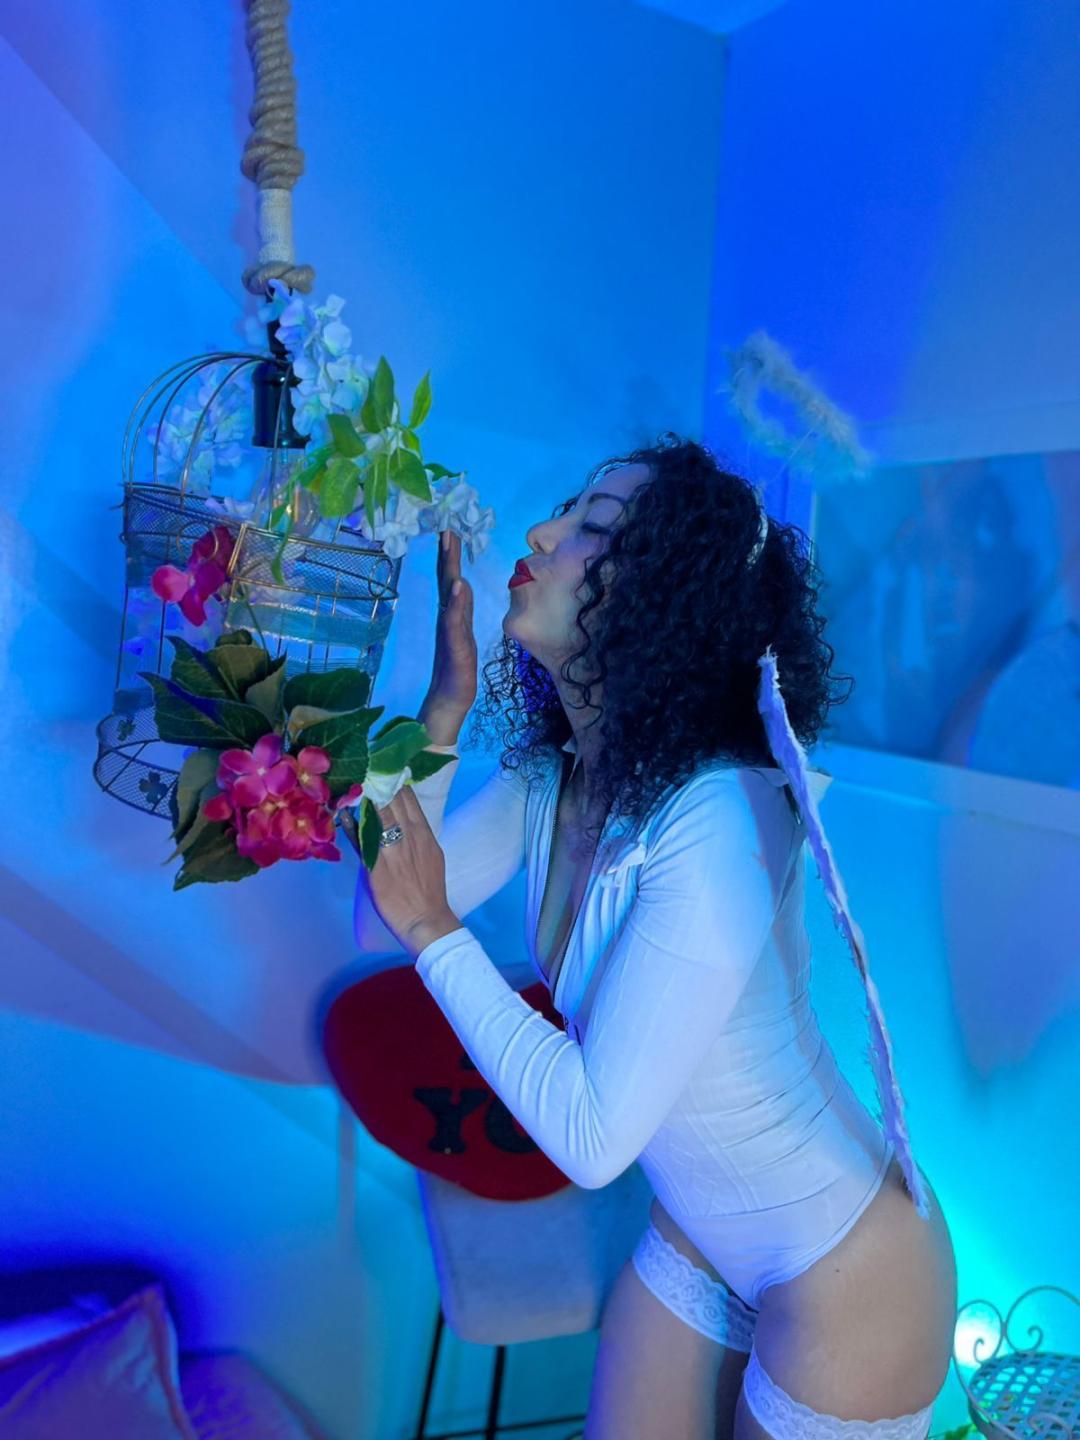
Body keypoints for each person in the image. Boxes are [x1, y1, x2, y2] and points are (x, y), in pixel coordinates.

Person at [348, 435, 958, 1440]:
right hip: (698, 1239)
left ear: (666, 593)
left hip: (850, 1275)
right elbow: (382, 918)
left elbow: (592, 1138)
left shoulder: (719, 814)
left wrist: (435, 929)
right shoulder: (555, 775)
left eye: (590, 525)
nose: (540, 533)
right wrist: (441, 713)